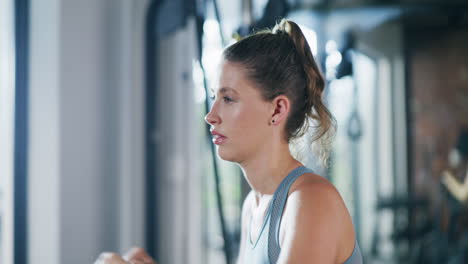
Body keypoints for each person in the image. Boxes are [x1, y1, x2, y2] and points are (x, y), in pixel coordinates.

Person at [95, 19, 362, 264]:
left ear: (278, 110)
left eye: (229, 99)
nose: (211, 116)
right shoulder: (254, 207)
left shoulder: (311, 201)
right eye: (214, 97)